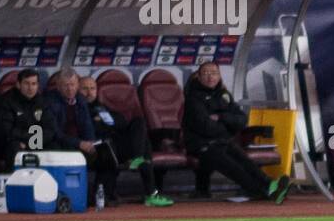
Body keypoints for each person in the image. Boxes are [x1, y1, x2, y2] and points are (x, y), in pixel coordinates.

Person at [184, 61, 291, 201]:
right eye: (206, 73)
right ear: (198, 76)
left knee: (245, 161)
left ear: (219, 76)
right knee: (234, 167)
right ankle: (261, 191)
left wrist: (221, 117)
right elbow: (206, 127)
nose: (210, 77)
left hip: (222, 142)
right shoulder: (193, 98)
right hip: (201, 145)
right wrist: (228, 126)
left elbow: (241, 120)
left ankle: (270, 184)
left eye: (214, 73)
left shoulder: (223, 94)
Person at [78, 74, 173, 206]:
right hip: (101, 147)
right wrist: (104, 124)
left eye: (92, 88)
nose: (89, 92)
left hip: (115, 144)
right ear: (77, 89)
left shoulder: (99, 106)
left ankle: (137, 159)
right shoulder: (80, 107)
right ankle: (150, 192)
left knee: (139, 123)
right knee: (144, 145)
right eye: (85, 89)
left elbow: (121, 121)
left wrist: (105, 122)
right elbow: (92, 129)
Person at [0, 68, 58, 169]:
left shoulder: (42, 101)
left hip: (33, 142)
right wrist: (31, 141)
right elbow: (6, 131)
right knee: (14, 148)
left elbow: (50, 129)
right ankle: (15, 179)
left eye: (34, 84)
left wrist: (30, 143)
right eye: (26, 83)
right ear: (18, 84)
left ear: (38, 85)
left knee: (55, 147)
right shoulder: (6, 101)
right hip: (8, 144)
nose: (30, 88)